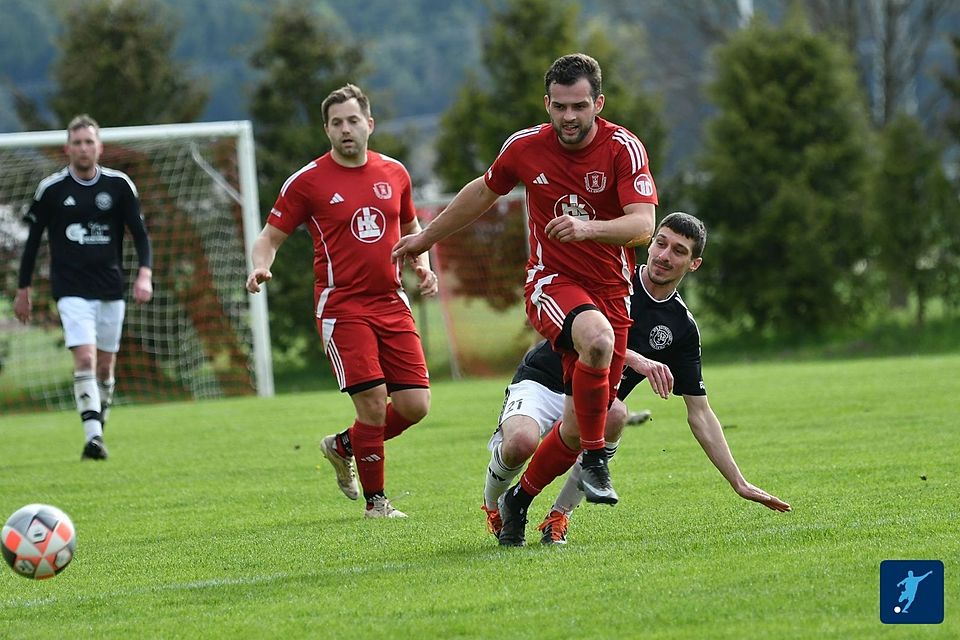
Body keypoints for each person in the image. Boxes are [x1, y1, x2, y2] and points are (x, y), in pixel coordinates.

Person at [394, 53, 659, 535]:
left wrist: (587, 228)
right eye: (559, 107)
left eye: (579, 106)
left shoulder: (624, 149)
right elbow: (482, 192)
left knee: (578, 427)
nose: (569, 117)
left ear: (598, 103)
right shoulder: (525, 147)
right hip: (550, 282)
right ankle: (597, 461)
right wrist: (425, 238)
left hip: (612, 291)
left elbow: (644, 225)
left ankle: (520, 501)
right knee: (596, 344)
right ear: (547, 104)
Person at [484, 212, 791, 545]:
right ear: (649, 243)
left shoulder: (681, 327)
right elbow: (588, 337)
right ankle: (493, 505)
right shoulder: (609, 278)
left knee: (615, 414)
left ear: (694, 264)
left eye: (678, 251)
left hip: (592, 399)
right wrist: (636, 359)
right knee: (519, 445)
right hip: (544, 379)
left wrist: (738, 482)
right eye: (660, 243)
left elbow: (700, 413)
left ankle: (558, 517)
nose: (664, 256)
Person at [246, 84, 437, 519]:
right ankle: (377, 504)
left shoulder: (395, 173)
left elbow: (413, 231)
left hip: (391, 300)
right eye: (337, 123)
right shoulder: (307, 181)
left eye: (353, 120)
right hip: (342, 306)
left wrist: (422, 265)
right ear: (327, 129)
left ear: (369, 124)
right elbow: (269, 238)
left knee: (414, 406)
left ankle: (342, 446)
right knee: (372, 402)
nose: (346, 129)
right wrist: (260, 266)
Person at [14, 114, 153, 461]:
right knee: (86, 358)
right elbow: (32, 243)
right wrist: (23, 288)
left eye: (89, 142)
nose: (83, 148)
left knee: (106, 367)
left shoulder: (120, 186)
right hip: (70, 289)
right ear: (67, 149)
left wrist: (145, 274)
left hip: (110, 288)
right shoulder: (52, 190)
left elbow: (140, 235)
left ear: (99, 147)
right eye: (77, 142)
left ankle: (97, 429)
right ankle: (93, 437)